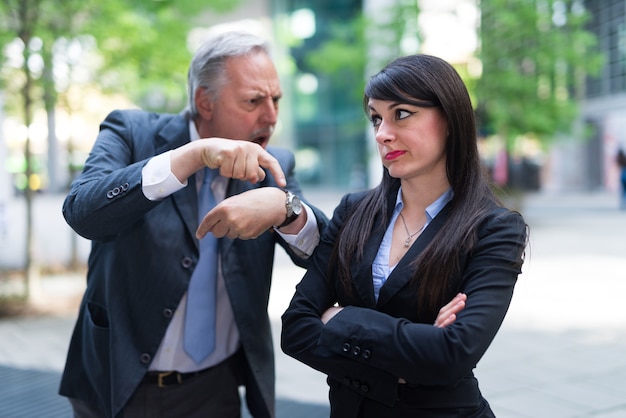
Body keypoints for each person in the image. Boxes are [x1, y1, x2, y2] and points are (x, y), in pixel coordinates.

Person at [59, 31, 329, 418]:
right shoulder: (131, 132)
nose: (271, 116)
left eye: (276, 100)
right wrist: (190, 158)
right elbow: (82, 211)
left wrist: (285, 207)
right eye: (254, 101)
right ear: (205, 101)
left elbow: (325, 253)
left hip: (215, 388)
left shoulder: (275, 164)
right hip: (115, 381)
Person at [281, 54, 528, 418]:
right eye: (376, 118)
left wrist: (340, 318)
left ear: (449, 119)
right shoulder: (353, 212)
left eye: (402, 113)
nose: (383, 133)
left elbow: (453, 354)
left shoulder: (494, 229)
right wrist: (414, 352)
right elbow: (296, 330)